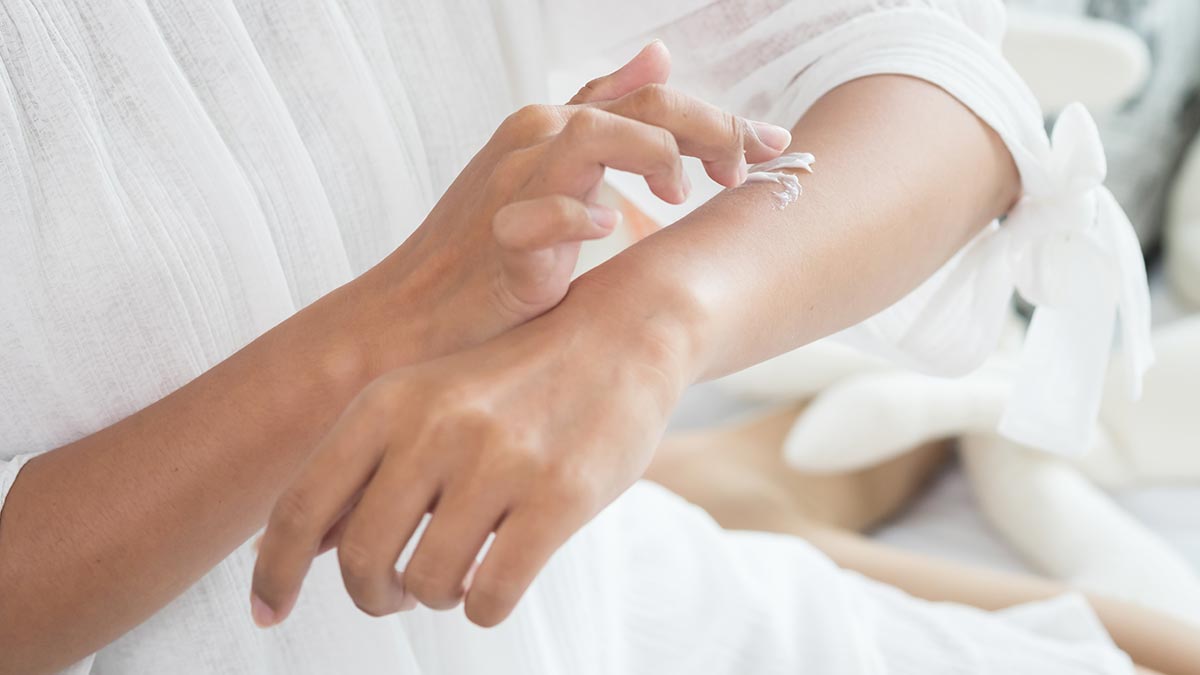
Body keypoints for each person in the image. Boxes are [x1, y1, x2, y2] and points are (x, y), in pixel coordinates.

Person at [0, 1, 1155, 673]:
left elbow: (944, 87)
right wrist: (392, 323)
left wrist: (642, 331)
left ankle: (747, 486)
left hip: (575, 589)